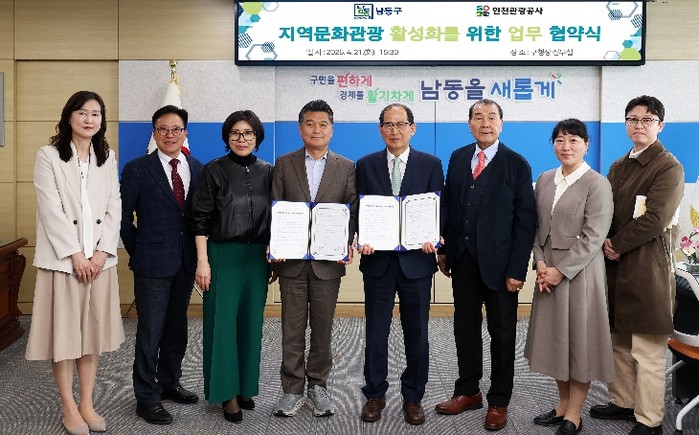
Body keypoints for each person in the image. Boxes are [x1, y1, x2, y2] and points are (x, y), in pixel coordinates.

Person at [25, 90, 125, 435]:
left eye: (96, 114)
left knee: (91, 337)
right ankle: (69, 406)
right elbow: (50, 209)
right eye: (82, 112)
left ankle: (87, 404)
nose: (89, 119)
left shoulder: (107, 157)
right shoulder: (49, 156)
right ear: (69, 117)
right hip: (63, 263)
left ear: (102, 121)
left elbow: (114, 206)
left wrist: (101, 253)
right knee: (65, 338)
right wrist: (76, 255)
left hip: (99, 264)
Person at [435, 99, 537, 431]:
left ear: (501, 124)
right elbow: (449, 205)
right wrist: (443, 249)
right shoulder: (458, 157)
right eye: (478, 117)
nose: (485, 123)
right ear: (469, 124)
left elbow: (525, 222)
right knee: (464, 327)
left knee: (502, 332)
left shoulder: (516, 164)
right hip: (463, 260)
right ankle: (468, 391)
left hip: (501, 266)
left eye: (492, 117)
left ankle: (499, 400)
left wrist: (517, 270)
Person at [590, 95, 684, 435]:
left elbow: (656, 218)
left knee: (647, 348)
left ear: (660, 125)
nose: (639, 125)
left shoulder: (668, 166)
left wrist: (616, 244)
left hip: (647, 269)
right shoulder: (618, 166)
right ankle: (624, 401)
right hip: (615, 267)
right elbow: (605, 211)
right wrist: (604, 239)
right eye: (633, 119)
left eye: (647, 120)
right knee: (619, 341)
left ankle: (649, 418)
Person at [524, 119, 615, 435]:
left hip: (580, 275)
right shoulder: (545, 179)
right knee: (556, 342)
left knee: (579, 345)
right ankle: (562, 406)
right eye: (560, 140)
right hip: (547, 271)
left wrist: (560, 272)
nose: (566, 146)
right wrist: (540, 264)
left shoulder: (597, 184)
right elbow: (536, 228)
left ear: (586, 145)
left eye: (574, 140)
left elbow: (594, 236)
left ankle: (574, 414)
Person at [355, 103, 444, 425]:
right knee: (375, 333)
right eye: (389, 125)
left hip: (416, 262)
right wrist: (361, 236)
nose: (395, 130)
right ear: (380, 130)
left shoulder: (431, 164)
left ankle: (413, 397)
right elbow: (359, 209)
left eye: (401, 124)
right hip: (377, 261)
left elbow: (439, 208)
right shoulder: (365, 165)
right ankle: (374, 394)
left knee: (417, 333)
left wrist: (435, 237)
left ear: (412, 129)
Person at [270, 99, 357, 418]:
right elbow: (275, 207)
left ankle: (318, 386)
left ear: (331, 130)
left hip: (327, 264)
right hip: (291, 262)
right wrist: (275, 246)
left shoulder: (346, 167)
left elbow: (351, 209)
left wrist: (346, 241)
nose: (316, 129)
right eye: (310, 123)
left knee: (323, 329)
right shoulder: (284, 163)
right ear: (300, 129)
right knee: (291, 330)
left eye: (323, 124)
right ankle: (292, 389)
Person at [120, 105, 204, 425]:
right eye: (163, 129)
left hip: (185, 261)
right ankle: (146, 396)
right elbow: (123, 219)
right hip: (151, 263)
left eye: (176, 129)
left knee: (176, 328)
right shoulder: (137, 169)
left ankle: (170, 382)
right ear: (154, 133)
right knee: (150, 332)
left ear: (185, 133)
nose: (170, 135)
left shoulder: (197, 167)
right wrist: (139, 251)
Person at [190, 110, 273, 424]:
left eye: (248, 133)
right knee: (222, 326)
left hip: (257, 259)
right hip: (222, 255)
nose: (242, 139)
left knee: (251, 325)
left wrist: (274, 254)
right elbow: (200, 219)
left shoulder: (268, 171)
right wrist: (203, 262)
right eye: (236, 133)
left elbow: (278, 216)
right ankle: (227, 393)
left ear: (257, 137)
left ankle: (244, 387)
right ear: (227, 137)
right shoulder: (213, 170)